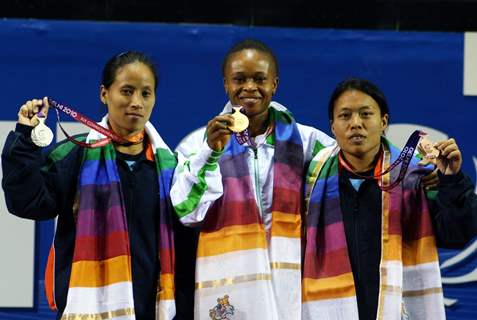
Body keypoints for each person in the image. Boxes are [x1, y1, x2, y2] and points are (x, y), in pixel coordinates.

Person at [2, 51, 179, 320]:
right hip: (88, 311)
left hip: (151, 312)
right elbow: (27, 201)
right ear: (104, 93)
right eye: (127, 91)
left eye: (146, 93)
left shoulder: (169, 167)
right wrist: (25, 137)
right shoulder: (75, 154)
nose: (136, 102)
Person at [170, 39, 335, 319]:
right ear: (225, 83)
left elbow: (359, 170)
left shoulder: (310, 143)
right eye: (239, 79)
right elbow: (186, 210)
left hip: (292, 282)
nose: (249, 88)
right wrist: (211, 152)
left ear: (275, 84)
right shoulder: (197, 143)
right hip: (229, 284)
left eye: (260, 79)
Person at [302, 78, 477, 320]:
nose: (356, 124)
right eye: (345, 116)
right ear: (332, 126)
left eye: (365, 114)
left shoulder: (417, 177)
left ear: (384, 121)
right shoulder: (312, 181)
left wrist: (453, 180)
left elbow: (457, 234)